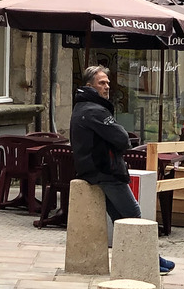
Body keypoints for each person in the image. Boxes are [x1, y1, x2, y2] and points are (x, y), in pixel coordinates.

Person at [70, 64, 174, 275]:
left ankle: (141, 258)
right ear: (90, 86)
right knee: (132, 213)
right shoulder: (94, 111)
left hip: (93, 171)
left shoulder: (82, 107)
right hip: (107, 171)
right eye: (102, 83)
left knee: (120, 218)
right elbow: (122, 139)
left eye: (108, 82)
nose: (107, 86)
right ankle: (150, 260)